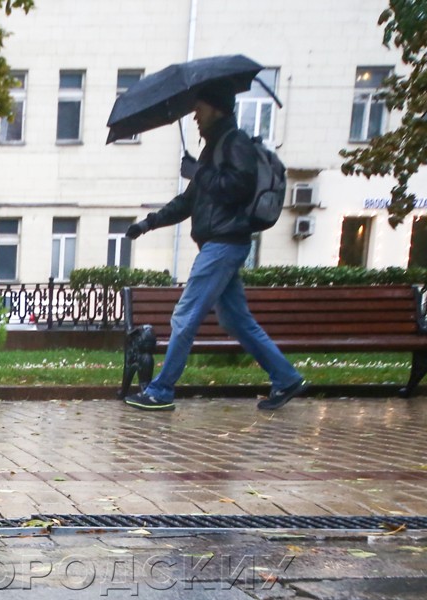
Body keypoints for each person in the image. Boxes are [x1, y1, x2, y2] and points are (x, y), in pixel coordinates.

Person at [124, 84, 306, 412]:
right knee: (237, 321)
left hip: (224, 244)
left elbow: (238, 187)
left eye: (200, 109)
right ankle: (286, 377)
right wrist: (148, 224)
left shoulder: (235, 143)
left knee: (185, 315)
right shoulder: (214, 149)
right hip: (220, 245)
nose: (195, 116)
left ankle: (161, 390)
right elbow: (187, 202)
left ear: (217, 108)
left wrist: (199, 172)